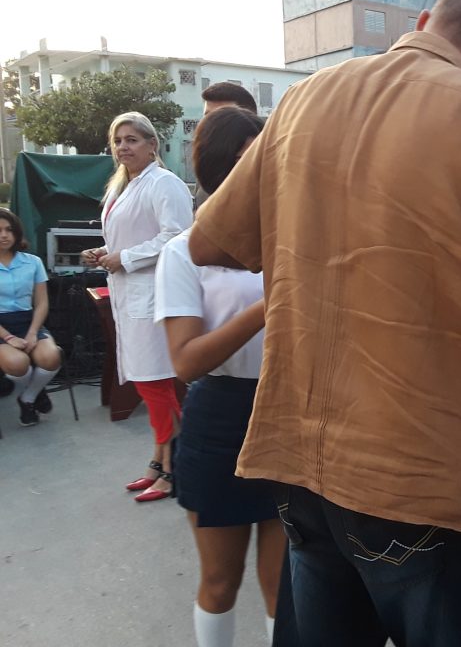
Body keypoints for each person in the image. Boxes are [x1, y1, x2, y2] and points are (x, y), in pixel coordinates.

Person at [189, 0, 461, 646]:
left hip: (304, 463)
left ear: (425, 19)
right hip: (424, 475)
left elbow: (208, 242)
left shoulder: (303, 99)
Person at [155, 106, 284, 646]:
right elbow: (186, 361)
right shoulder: (184, 251)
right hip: (220, 422)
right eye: (251, 153)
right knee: (219, 580)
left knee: (288, 584)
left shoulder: (288, 241)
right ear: (228, 161)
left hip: (286, 415)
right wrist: (269, 305)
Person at [81, 112, 193, 502]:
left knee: (154, 383)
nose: (123, 147)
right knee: (152, 384)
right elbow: (130, 236)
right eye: (118, 140)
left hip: (153, 294)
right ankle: (160, 461)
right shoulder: (121, 187)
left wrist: (125, 257)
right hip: (129, 293)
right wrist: (105, 253)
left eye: (131, 140)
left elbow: (178, 237)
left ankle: (174, 466)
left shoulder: (165, 184)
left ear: (152, 145)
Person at [0, 208, 62, 427]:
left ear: (16, 233)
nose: (4, 235)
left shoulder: (32, 262)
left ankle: (28, 397)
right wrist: (8, 338)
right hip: (1, 328)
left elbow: (42, 302)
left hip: (29, 321)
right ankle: (36, 390)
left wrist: (33, 332)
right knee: (18, 363)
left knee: (51, 357)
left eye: (8, 229)